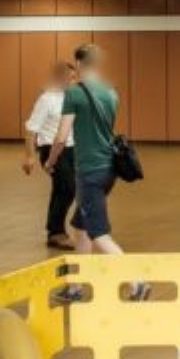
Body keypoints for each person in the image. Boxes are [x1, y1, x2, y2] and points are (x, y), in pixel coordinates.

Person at [44, 45, 140, 276]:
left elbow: (61, 137)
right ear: (98, 64)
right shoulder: (110, 92)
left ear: (78, 64)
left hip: (89, 171)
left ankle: (136, 280)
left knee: (99, 234)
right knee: (81, 226)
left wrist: (50, 161)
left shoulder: (74, 93)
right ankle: (77, 285)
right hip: (109, 169)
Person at [22, 61, 77, 250]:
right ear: (58, 77)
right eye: (68, 77)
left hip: (71, 149)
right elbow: (31, 129)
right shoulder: (47, 99)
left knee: (62, 189)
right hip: (50, 149)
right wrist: (30, 156)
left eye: (73, 77)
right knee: (68, 188)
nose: (72, 81)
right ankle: (56, 232)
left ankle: (54, 232)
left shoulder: (71, 96)